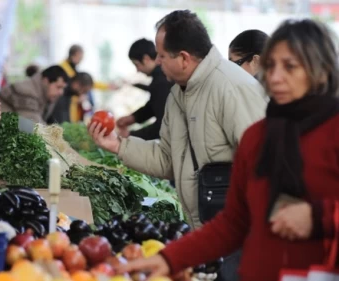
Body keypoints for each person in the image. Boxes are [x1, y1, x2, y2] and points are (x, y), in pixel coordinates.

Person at [118, 19, 339, 281]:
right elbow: (233, 223)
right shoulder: (257, 137)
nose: (275, 76)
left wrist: (320, 217)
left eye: (290, 66)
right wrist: (169, 259)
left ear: (321, 71)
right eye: (271, 65)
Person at [89, 10, 267, 281]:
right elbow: (167, 159)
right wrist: (118, 146)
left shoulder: (231, 87)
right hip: (209, 235)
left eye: (161, 55)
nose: (157, 62)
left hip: (242, 240)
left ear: (183, 58)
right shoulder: (178, 95)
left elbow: (264, 167)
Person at [117, 38, 174, 140]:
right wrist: (133, 118)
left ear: (146, 59)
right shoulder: (159, 78)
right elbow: (155, 105)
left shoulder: (162, 80)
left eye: (136, 65)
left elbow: (164, 126)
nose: (137, 70)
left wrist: (130, 135)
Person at [0, 65, 69, 124]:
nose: (61, 92)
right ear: (45, 81)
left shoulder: (46, 96)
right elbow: (29, 128)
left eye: (63, 88)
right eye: (58, 87)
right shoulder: (25, 91)